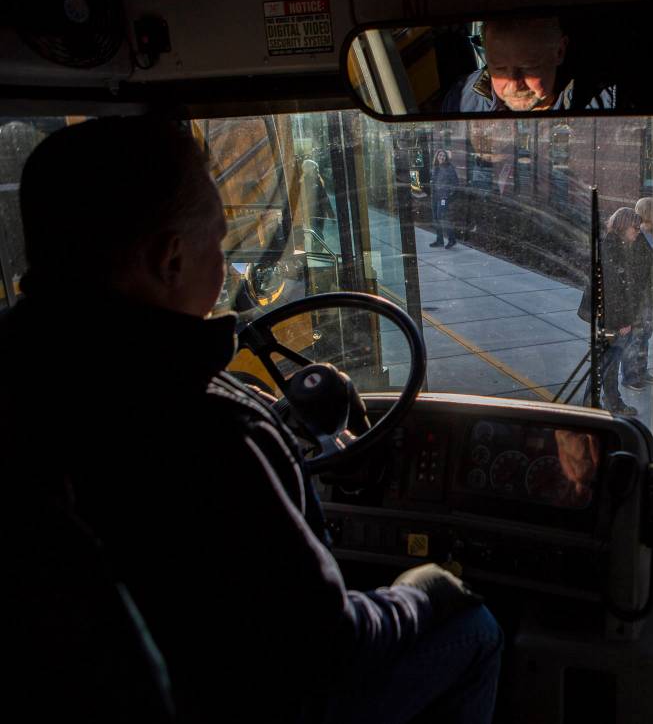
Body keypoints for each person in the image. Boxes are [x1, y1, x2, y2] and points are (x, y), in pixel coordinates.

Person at [0, 118, 502, 723]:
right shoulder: (205, 433)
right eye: (218, 242)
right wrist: (427, 593)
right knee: (471, 625)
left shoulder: (27, 392)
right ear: (170, 258)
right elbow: (327, 649)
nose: (227, 266)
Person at [441, 17, 615, 112]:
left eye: (528, 68)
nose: (514, 85)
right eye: (499, 68)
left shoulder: (607, 103)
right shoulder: (462, 98)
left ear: (559, 52)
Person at [598, 207, 644, 416]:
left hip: (610, 317)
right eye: (635, 228)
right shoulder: (613, 249)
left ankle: (595, 402)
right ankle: (612, 403)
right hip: (614, 320)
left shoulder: (614, 245)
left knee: (605, 362)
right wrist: (623, 322)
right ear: (624, 226)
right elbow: (615, 290)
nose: (638, 232)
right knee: (609, 363)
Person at [622, 196, 653, 390]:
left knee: (646, 335)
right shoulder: (637, 237)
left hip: (650, 295)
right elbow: (634, 271)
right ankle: (630, 376)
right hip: (639, 296)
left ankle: (641, 370)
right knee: (635, 337)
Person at [430, 149, 460, 248]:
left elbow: (455, 183)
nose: (441, 157)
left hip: (443, 198)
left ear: (446, 157)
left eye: (443, 156)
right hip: (435, 197)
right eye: (440, 155)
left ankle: (452, 240)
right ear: (437, 157)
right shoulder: (435, 167)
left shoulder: (449, 168)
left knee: (442, 217)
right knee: (436, 218)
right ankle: (439, 241)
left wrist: (448, 195)